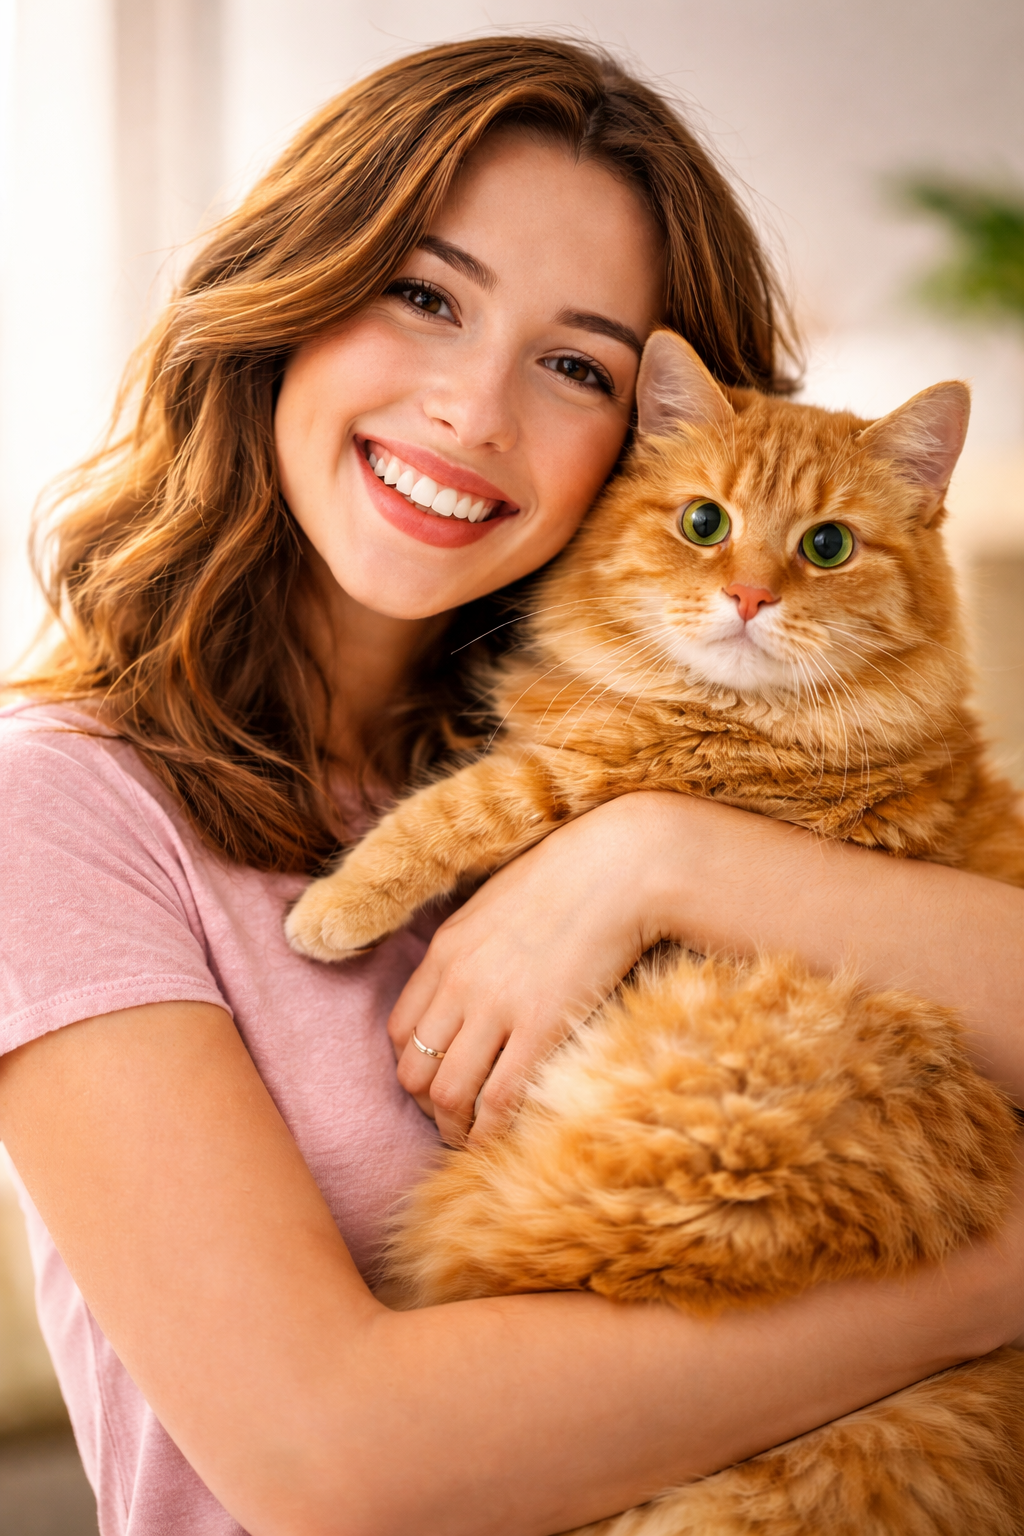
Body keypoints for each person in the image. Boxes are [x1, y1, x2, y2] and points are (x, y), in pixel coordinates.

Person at [0, 36, 1020, 1536]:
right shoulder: (61, 817)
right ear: (289, 296)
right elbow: (333, 1466)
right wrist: (992, 1279)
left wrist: (663, 857)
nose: (475, 411)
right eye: (423, 295)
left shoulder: (663, 758)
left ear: (646, 436)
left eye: (574, 364)